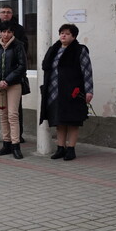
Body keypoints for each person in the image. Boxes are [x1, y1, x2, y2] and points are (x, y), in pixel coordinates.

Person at [39, 24, 93, 161]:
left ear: (73, 36)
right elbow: (46, 68)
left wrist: (89, 91)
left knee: (72, 122)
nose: (63, 35)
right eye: (62, 33)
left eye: (67, 34)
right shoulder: (54, 49)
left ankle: (71, 149)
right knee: (59, 122)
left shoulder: (80, 50)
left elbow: (87, 71)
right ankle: (60, 148)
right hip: (54, 91)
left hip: (72, 91)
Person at [0, 4, 28, 144]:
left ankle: (17, 137)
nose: (5, 14)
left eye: (8, 12)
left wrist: (11, 77)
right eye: (3, 12)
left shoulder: (19, 30)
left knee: (14, 111)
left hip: (14, 78)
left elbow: (24, 54)